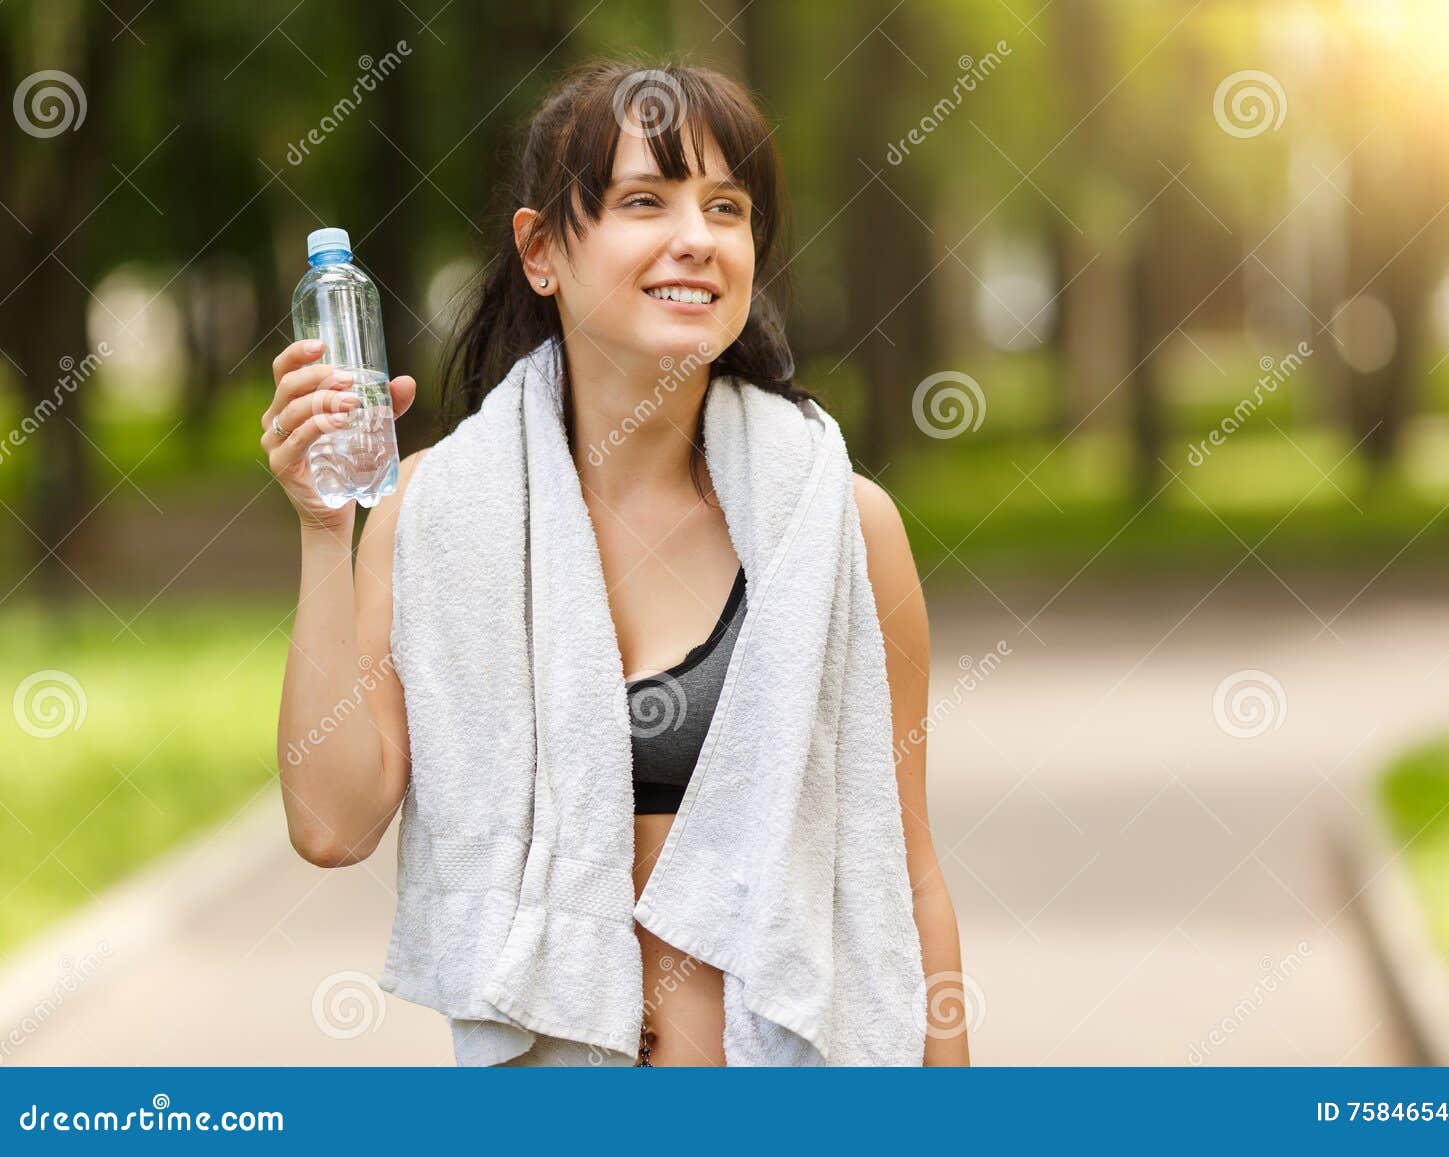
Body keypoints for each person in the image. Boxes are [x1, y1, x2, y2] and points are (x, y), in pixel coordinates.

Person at [259, 57, 967, 1067]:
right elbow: (333, 821)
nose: (696, 238)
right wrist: (325, 529)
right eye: (646, 200)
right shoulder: (436, 512)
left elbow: (907, 871)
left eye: (726, 207)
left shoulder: (841, 525)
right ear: (541, 250)